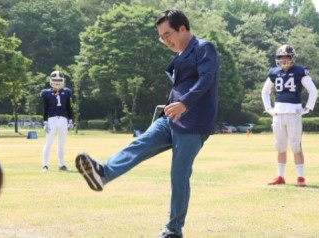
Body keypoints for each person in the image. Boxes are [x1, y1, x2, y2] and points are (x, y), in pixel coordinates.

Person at [75, 9, 219, 238]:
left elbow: (206, 79)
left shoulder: (203, 48)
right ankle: (103, 173)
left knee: (179, 175)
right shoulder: (180, 57)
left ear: (183, 28)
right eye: (161, 37)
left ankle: (173, 230)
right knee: (140, 143)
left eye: (168, 34)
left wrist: (184, 103)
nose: (165, 40)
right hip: (170, 118)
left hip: (192, 121)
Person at [261, 44, 318, 187]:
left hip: (293, 113)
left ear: (292, 58)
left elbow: (313, 90)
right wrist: (268, 108)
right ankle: (280, 176)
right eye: (281, 57)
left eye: (287, 57)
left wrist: (307, 108)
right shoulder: (274, 72)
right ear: (278, 59)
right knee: (280, 146)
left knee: (295, 146)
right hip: (278, 113)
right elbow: (265, 91)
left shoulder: (300, 71)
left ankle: (300, 177)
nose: (284, 60)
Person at [40, 70, 74, 172]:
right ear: (51, 80)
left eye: (59, 80)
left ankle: (61, 164)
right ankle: (45, 165)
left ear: (62, 81)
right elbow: (45, 109)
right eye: (55, 80)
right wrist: (45, 122)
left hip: (63, 119)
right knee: (48, 142)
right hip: (52, 119)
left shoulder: (66, 92)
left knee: (61, 144)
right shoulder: (47, 93)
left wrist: (71, 120)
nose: (57, 82)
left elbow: (68, 107)